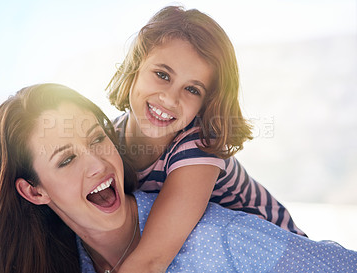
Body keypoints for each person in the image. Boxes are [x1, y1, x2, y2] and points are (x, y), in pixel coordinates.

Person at [0, 83, 357, 273]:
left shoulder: (219, 238)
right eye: (67, 160)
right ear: (33, 191)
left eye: (98, 138)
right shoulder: (58, 260)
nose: (98, 164)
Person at [107, 5, 305, 272]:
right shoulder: (106, 139)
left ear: (205, 104)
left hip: (280, 255)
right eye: (162, 75)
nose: (170, 98)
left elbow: (152, 260)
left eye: (192, 89)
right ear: (135, 68)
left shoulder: (199, 146)